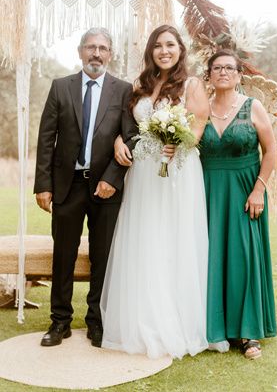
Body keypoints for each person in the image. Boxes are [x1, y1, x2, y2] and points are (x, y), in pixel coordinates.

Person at [100, 24, 209, 359]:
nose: (164, 51)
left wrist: (180, 142)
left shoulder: (191, 84)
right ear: (151, 51)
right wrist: (119, 140)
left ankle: (173, 321)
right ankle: (140, 318)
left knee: (171, 238)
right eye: (158, 46)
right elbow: (127, 126)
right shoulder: (140, 85)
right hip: (143, 172)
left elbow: (198, 126)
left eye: (170, 45)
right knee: (144, 238)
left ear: (180, 49)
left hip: (176, 169)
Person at [34, 27, 138, 348]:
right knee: (63, 256)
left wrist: (112, 178)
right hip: (66, 186)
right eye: (91, 47)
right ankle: (60, 321)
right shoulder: (60, 87)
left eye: (102, 48)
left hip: (105, 189)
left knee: (102, 257)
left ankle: (97, 322)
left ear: (111, 54)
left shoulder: (123, 91)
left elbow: (131, 137)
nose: (96, 53)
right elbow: (46, 139)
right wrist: (43, 184)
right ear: (80, 51)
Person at [199, 49, 277, 359]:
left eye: (229, 68)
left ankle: (247, 333)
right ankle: (212, 326)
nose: (223, 72)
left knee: (244, 257)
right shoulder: (199, 110)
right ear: (209, 74)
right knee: (210, 257)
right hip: (206, 191)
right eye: (217, 67)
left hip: (246, 192)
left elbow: (270, 151)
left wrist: (259, 189)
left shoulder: (253, 107)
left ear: (239, 75)